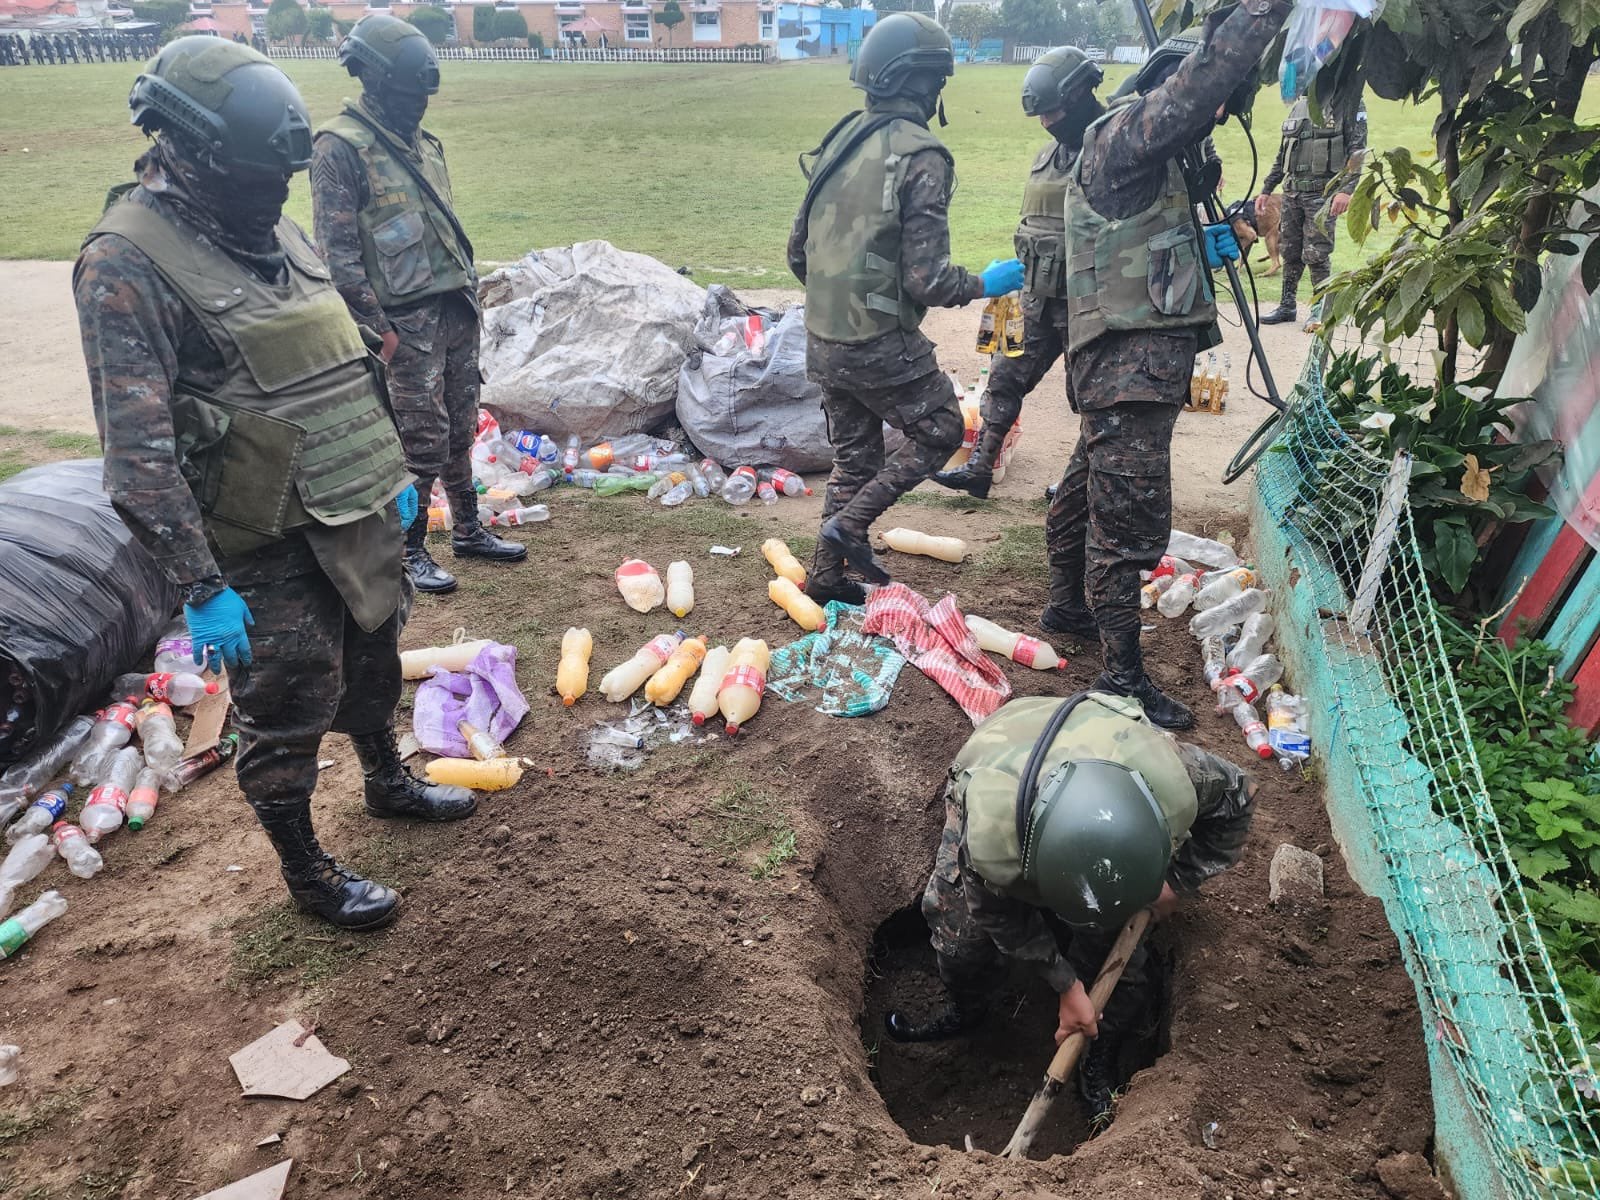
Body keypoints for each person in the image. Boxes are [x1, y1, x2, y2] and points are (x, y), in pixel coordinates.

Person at [74, 38, 477, 932]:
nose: (273, 199)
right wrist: (201, 584)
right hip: (262, 535)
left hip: (354, 498)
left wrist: (390, 472)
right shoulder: (126, 264)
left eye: (278, 183)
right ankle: (307, 871)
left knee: (377, 652)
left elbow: (339, 354)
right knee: (291, 702)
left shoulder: (270, 227)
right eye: (256, 182)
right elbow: (137, 456)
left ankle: (386, 780)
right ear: (183, 147)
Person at [1038, 4, 1290, 732]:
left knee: (1089, 487)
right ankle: (1120, 679)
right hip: (1128, 368)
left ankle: (1065, 604)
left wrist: (1236, 223)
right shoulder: (1126, 135)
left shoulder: (1148, 156)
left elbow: (1161, 247)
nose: (1211, 117)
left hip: (1132, 366)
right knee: (1131, 530)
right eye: (1207, 108)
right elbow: (1203, 79)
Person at [885, 691, 1255, 1128]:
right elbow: (997, 915)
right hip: (1005, 760)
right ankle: (971, 1006)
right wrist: (1064, 983)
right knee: (959, 940)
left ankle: (1098, 1049)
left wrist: (1178, 880)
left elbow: (1241, 798)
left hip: (1108, 750)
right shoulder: (992, 836)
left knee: (1124, 976)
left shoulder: (1178, 779)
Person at [787, 11, 1024, 599]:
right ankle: (851, 525)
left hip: (822, 335)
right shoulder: (922, 156)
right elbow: (929, 281)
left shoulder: (842, 137)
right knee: (943, 427)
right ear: (925, 84)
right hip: (878, 341)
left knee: (855, 460)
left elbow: (798, 252)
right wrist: (986, 283)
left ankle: (824, 577)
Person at [311, 14, 525, 596]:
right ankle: (408, 549)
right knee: (418, 440)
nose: (416, 106)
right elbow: (338, 255)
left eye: (421, 95)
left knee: (460, 423)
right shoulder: (340, 147)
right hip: (401, 323)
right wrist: (377, 329)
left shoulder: (425, 145)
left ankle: (468, 530)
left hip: (453, 309)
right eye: (406, 94)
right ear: (373, 81)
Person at [932, 46, 1097, 500]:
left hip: (1087, 305)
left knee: (1089, 401)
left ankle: (1078, 484)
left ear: (1082, 96)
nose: (1048, 122)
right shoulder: (1046, 156)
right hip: (1036, 296)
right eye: (1041, 114)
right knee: (1004, 380)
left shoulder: (1112, 154)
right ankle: (980, 470)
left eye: (1055, 111)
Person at [1256, 94, 1366, 326]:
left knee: (1317, 253)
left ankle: (1320, 310)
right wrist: (1267, 188)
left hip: (1321, 194)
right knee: (1289, 250)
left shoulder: (1349, 103)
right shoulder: (1299, 106)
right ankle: (1287, 306)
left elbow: (1357, 151)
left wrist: (1346, 190)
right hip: (1292, 192)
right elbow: (1283, 152)